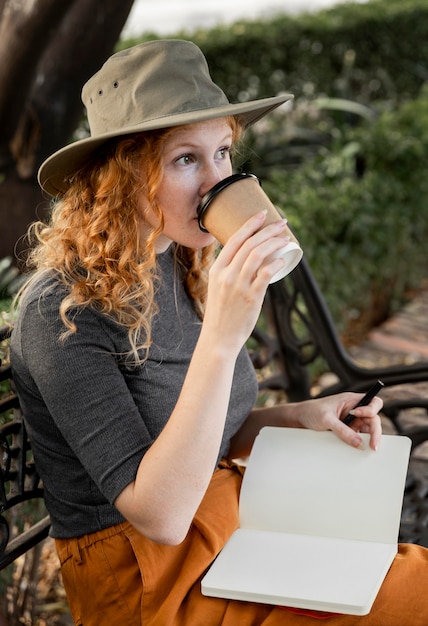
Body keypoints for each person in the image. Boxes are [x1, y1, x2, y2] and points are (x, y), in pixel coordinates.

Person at [10, 39, 428, 626]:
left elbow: (203, 434)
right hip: (145, 582)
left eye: (224, 152)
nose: (215, 181)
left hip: (230, 530)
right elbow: (159, 512)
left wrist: (300, 417)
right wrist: (223, 338)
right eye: (186, 159)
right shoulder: (62, 312)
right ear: (120, 175)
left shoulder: (179, 262)